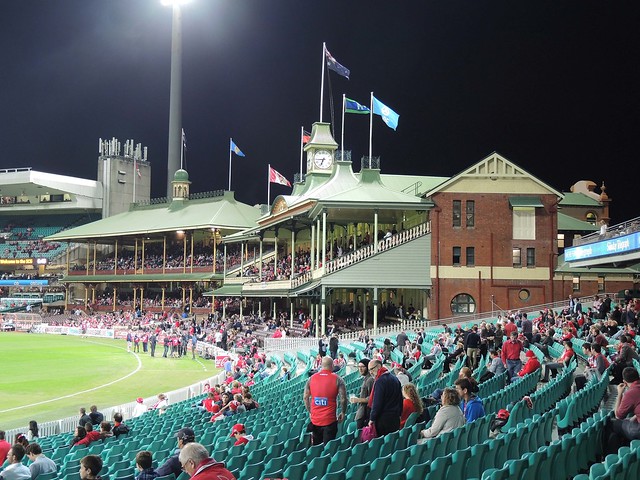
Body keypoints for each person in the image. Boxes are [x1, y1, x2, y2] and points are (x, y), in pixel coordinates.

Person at [303, 356, 348, 445]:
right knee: (328, 447)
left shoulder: (311, 379)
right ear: (332, 365)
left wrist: (310, 411)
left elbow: (305, 397)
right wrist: (343, 412)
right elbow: (343, 399)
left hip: (315, 420)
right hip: (330, 420)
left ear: (321, 365)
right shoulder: (338, 379)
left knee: (316, 447)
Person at [604, 367, 640, 454]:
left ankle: (611, 455)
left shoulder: (631, 393)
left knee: (612, 423)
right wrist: (634, 418)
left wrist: (620, 393)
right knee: (626, 420)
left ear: (624, 382)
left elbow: (618, 415)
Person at [367, 358, 403, 436]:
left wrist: (372, 418)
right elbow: (400, 399)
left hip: (383, 419)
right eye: (369, 370)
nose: (371, 372)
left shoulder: (380, 381)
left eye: (372, 369)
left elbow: (377, 403)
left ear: (379, 366)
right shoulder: (395, 378)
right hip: (395, 417)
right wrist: (399, 414)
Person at [350, 358, 375, 429]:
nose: (360, 369)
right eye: (359, 367)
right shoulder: (366, 379)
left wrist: (357, 400)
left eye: (362, 367)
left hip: (365, 413)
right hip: (362, 412)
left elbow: (371, 398)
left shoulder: (370, 380)